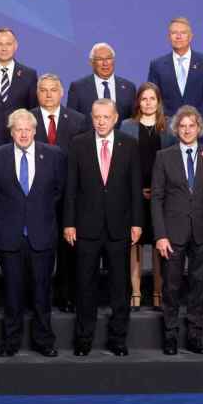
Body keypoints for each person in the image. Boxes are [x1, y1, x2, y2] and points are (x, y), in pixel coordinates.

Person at [0, 109, 65, 358]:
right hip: (10, 235)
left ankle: (44, 340)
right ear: (11, 132)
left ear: (35, 130)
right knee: (12, 293)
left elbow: (58, 192)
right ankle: (11, 341)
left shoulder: (53, 155)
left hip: (42, 234)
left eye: (28, 129)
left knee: (42, 293)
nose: (24, 134)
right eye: (18, 129)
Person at [64, 99, 142, 357]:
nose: (101, 121)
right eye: (97, 116)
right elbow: (71, 189)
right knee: (85, 286)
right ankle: (83, 340)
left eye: (106, 117)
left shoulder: (129, 144)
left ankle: (118, 339)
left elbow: (134, 188)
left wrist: (137, 223)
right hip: (86, 228)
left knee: (120, 287)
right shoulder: (78, 144)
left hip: (119, 227)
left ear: (116, 117)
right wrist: (69, 223)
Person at [152, 105, 203, 355]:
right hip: (172, 234)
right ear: (176, 129)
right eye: (182, 126)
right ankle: (170, 336)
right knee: (171, 287)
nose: (186, 130)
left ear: (199, 129)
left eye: (191, 126)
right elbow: (157, 199)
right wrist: (160, 235)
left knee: (198, 285)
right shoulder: (164, 156)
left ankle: (195, 335)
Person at [119, 82, 175, 312]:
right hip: (134, 194)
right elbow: (122, 164)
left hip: (162, 196)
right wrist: (137, 189)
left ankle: (158, 294)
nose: (148, 103)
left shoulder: (170, 127)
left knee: (159, 245)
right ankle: (135, 293)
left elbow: (174, 164)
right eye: (144, 99)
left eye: (152, 99)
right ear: (138, 102)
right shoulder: (126, 126)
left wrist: (159, 190)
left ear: (159, 101)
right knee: (135, 244)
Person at [33, 73, 87, 313]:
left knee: (68, 252)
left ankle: (66, 296)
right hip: (36, 198)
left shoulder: (77, 120)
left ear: (61, 92)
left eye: (53, 89)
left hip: (68, 196)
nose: (48, 94)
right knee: (39, 252)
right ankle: (38, 298)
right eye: (43, 90)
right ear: (37, 93)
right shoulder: (27, 119)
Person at [147, 17, 203, 144]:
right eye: (174, 33)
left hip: (197, 131)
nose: (178, 36)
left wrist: (195, 121)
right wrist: (168, 121)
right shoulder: (157, 65)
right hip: (167, 132)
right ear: (169, 37)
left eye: (183, 33)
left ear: (190, 36)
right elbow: (153, 97)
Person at [67, 43, 136, 122]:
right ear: (91, 63)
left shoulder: (129, 88)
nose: (105, 63)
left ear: (114, 61)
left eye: (108, 58)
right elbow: (71, 121)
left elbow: (133, 122)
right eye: (100, 59)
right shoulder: (78, 88)